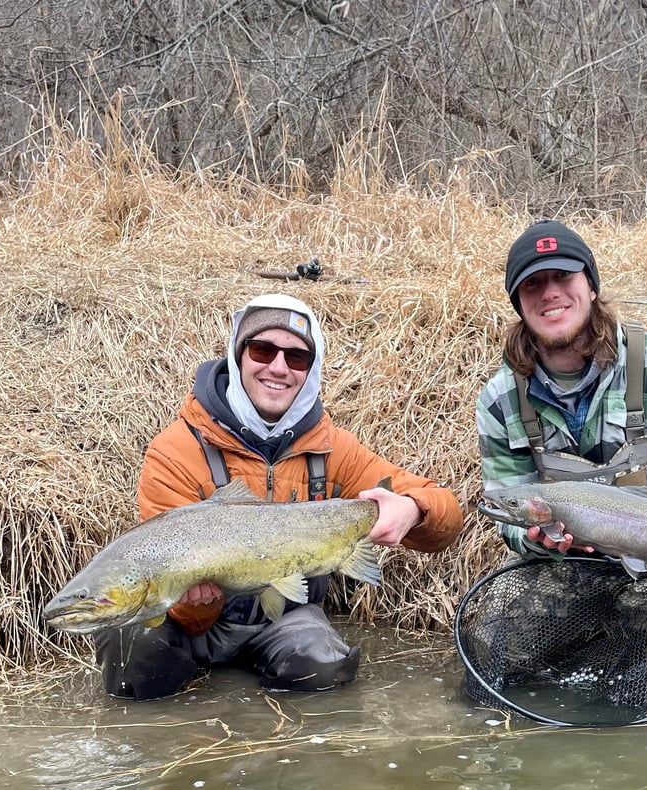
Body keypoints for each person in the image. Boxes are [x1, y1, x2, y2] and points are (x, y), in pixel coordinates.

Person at [96, 292, 463, 700]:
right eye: (263, 350)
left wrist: (413, 508)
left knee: (320, 667)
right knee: (131, 649)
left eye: (296, 358)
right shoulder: (176, 451)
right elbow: (180, 610)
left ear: (311, 369)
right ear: (239, 357)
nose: (278, 367)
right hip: (189, 627)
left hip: (284, 620)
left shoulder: (333, 448)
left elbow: (444, 513)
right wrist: (196, 604)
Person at [476, 219, 647, 559]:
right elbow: (509, 516)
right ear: (518, 302)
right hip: (555, 570)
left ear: (591, 285)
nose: (549, 292)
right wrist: (534, 539)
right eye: (532, 283)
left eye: (563, 275)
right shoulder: (500, 401)